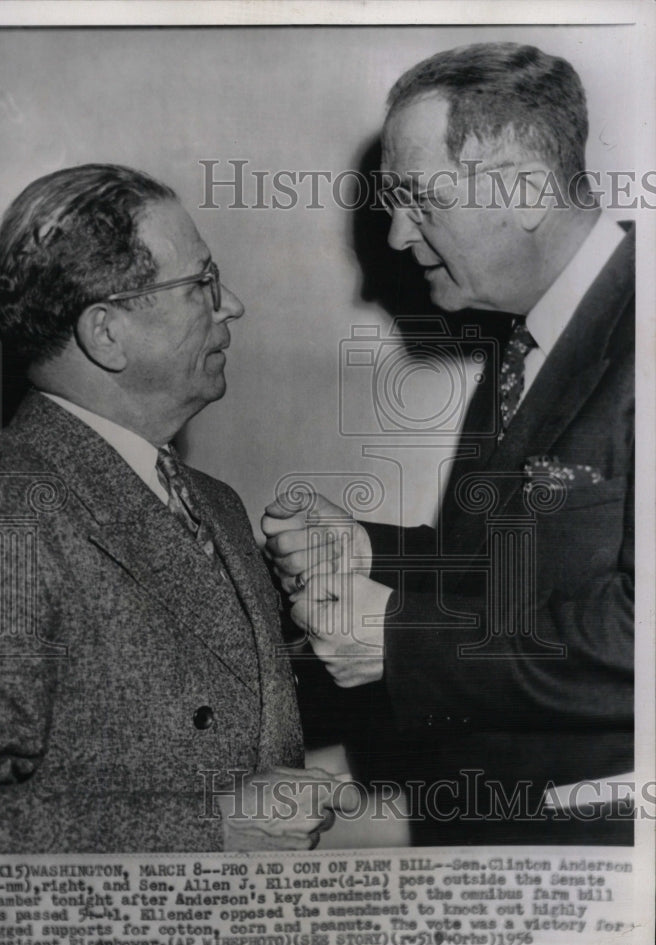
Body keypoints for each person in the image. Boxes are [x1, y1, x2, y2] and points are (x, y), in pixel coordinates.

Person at [263, 43, 634, 846]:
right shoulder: (528, 336)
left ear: (527, 191)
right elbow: (523, 575)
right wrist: (370, 553)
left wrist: (399, 641)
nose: (396, 237)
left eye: (418, 199)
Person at [0, 163, 352, 854]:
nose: (230, 304)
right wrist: (214, 827)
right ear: (106, 333)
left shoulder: (217, 506)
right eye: (201, 283)